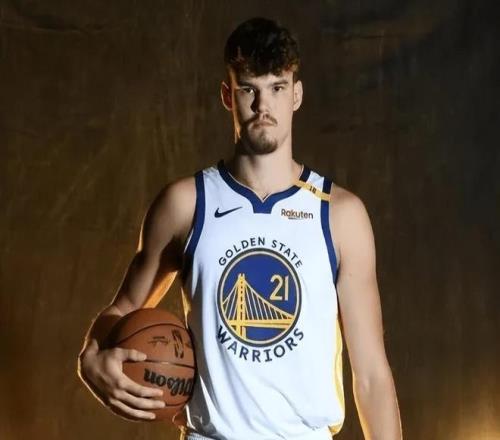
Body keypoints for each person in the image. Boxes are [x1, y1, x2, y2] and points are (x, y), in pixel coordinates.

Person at [77, 16, 402, 440]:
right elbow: (120, 311)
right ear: (228, 96)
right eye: (249, 89)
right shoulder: (186, 204)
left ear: (296, 95)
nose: (263, 105)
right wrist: (90, 357)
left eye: (277, 88)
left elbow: (372, 374)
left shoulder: (340, 215)